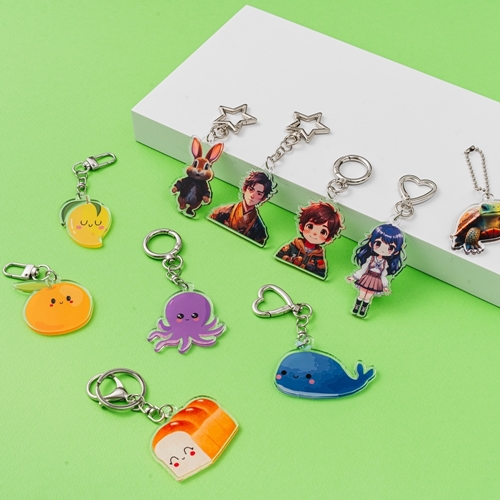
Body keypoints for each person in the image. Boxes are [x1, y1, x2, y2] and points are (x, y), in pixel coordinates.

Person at [347, 223, 405, 317]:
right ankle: (356, 307)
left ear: (396, 251)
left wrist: (385, 286)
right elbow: (363, 269)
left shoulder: (385, 263)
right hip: (367, 277)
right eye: (378, 243)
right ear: (371, 243)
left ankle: (363, 309)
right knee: (361, 295)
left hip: (376, 281)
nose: (383, 249)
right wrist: (354, 277)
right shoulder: (371, 258)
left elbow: (383, 276)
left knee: (368, 297)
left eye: (390, 248)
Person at [276, 201, 342, 279]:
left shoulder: (318, 256)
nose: (314, 233)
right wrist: (289, 259)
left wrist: (313, 268)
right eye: (310, 226)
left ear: (328, 239)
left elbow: (321, 274)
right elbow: (279, 254)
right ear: (301, 227)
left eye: (323, 231)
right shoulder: (294, 245)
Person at [208, 170, 276, 245]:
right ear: (244, 188)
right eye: (251, 189)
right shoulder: (222, 211)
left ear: (263, 198)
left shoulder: (259, 229)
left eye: (259, 193)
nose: (252, 196)